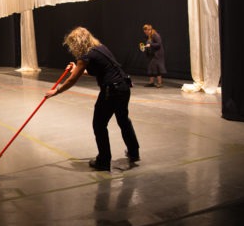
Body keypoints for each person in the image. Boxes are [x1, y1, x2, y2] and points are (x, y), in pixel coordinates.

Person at [45, 27, 140, 171]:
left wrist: (56, 91)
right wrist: (75, 69)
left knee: (99, 125)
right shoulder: (100, 48)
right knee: (123, 120)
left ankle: (103, 160)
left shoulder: (85, 56)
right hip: (123, 87)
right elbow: (98, 70)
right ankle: (134, 152)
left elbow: (72, 81)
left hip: (111, 91)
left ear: (77, 43)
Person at [141, 24, 166, 88]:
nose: (145, 33)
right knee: (150, 67)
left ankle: (160, 83)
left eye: (146, 31)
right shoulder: (149, 36)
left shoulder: (155, 35)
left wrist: (150, 45)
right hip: (151, 54)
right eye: (144, 32)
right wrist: (145, 48)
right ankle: (151, 82)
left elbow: (159, 44)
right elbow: (149, 45)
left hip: (157, 54)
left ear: (149, 30)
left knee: (157, 68)